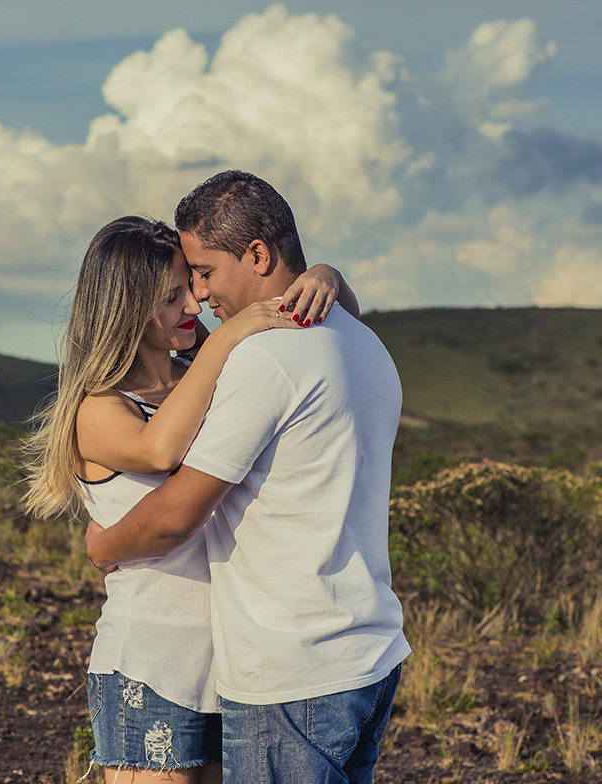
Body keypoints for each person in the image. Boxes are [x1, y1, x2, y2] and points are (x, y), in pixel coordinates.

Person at [85, 172, 410, 784]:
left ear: (258, 254)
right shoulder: (363, 341)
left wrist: (102, 544)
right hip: (364, 653)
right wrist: (328, 280)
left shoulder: (261, 359)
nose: (200, 297)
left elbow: (178, 512)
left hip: (291, 669)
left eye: (203, 273)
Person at [24, 214, 359, 783]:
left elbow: (341, 330)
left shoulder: (200, 375)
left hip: (233, 669)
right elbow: (159, 450)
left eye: (192, 288)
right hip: (153, 666)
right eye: (171, 297)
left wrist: (326, 276)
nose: (195, 306)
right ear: (128, 309)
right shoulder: (100, 408)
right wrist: (230, 334)